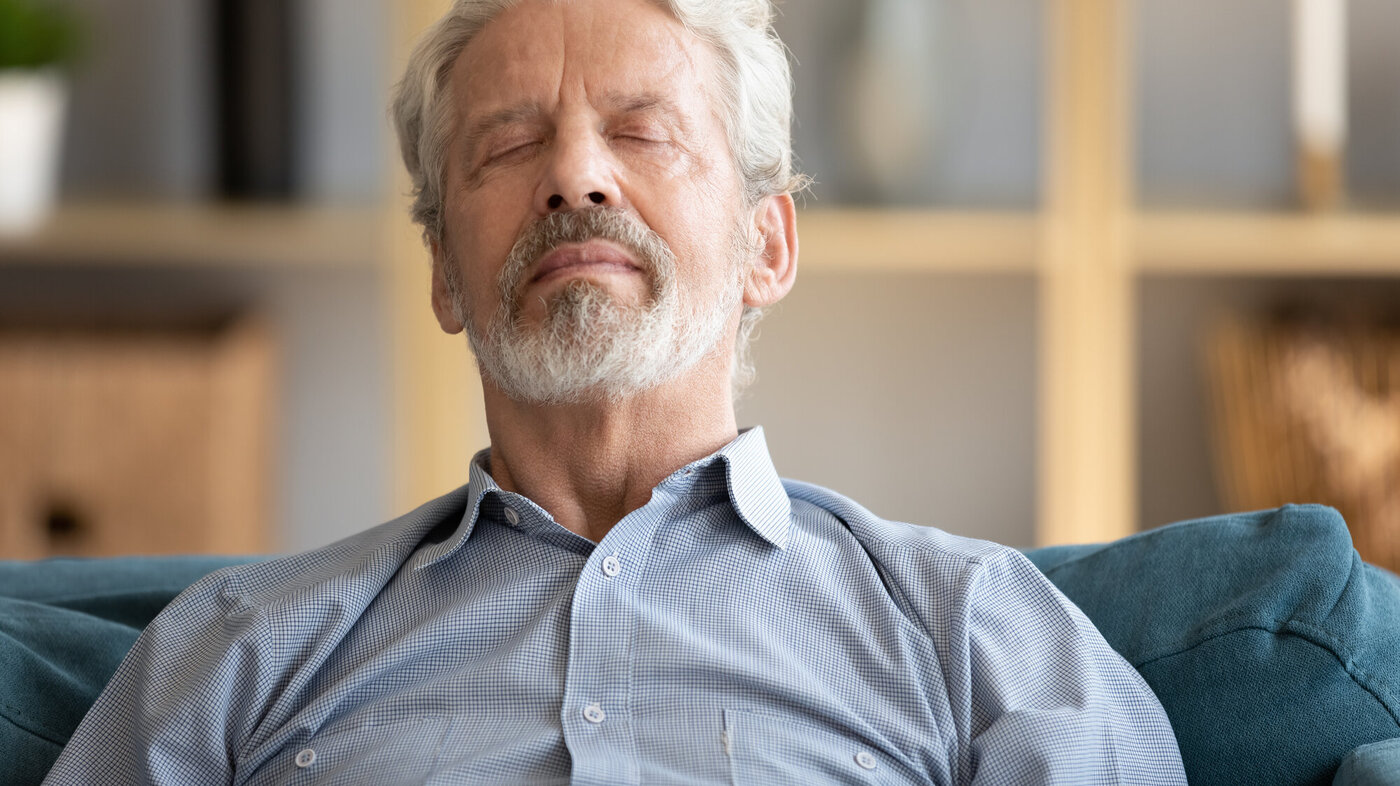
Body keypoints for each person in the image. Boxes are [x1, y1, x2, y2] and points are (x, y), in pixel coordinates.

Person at [45, 0, 1186, 782]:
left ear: (765, 247)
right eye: (507, 146)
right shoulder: (243, 650)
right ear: (443, 271)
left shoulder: (977, 634)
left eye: (642, 131)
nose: (575, 175)